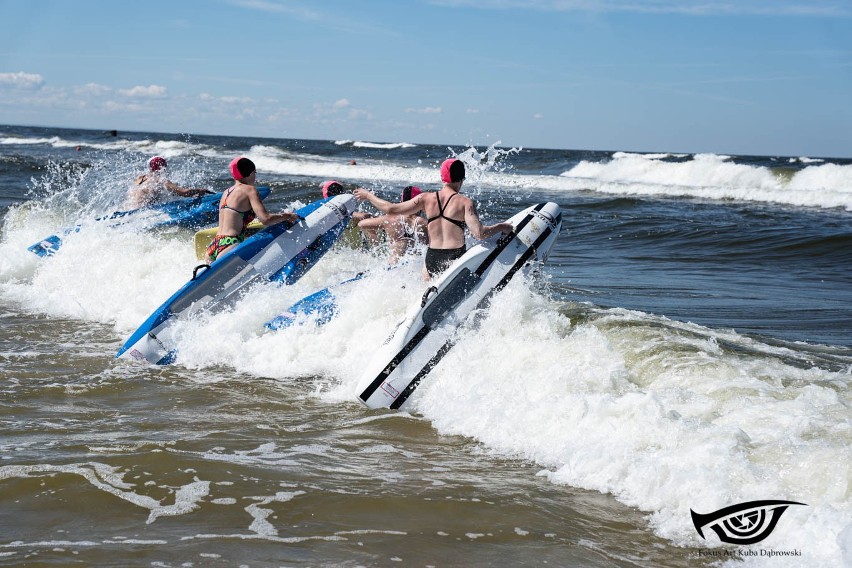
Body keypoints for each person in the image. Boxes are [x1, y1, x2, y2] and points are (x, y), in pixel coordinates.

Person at [353, 158, 512, 279]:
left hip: (431, 259)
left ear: (442, 179)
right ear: (462, 178)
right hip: (454, 258)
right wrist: (502, 226)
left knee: (426, 294)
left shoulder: (425, 199)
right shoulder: (465, 203)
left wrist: (368, 195)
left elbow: (391, 209)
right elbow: (479, 233)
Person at [205, 157, 301, 263]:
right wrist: (287, 216)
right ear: (250, 173)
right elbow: (266, 219)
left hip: (214, 245)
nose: (255, 177)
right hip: (230, 243)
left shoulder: (226, 192)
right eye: (255, 173)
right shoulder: (250, 190)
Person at [354, 185, 428, 264]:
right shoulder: (425, 223)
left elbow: (362, 224)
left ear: (402, 201)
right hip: (416, 265)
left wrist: (375, 243)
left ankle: (376, 252)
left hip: (392, 266)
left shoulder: (390, 219)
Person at [128, 156, 212, 207]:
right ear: (163, 167)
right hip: (140, 212)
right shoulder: (161, 180)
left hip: (127, 209)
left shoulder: (140, 179)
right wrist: (201, 190)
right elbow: (183, 192)